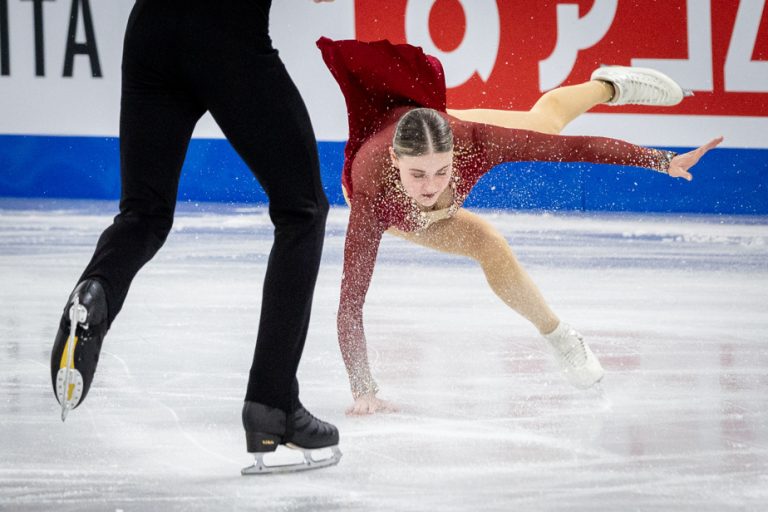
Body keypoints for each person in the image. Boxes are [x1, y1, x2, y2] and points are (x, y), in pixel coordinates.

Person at [316, 37, 723, 415]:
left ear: (455, 152)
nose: (430, 186)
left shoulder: (476, 141)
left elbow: (573, 149)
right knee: (487, 242)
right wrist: (363, 388)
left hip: (436, 131)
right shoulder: (374, 194)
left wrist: (659, 160)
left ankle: (609, 84)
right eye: (417, 174)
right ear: (395, 162)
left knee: (543, 125)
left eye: (441, 171)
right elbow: (350, 303)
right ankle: (559, 333)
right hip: (393, 206)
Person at [50, 0, 341, 474]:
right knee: (302, 209)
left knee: (144, 214)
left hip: (150, 30)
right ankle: (273, 406)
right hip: (225, 32)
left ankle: (97, 289)